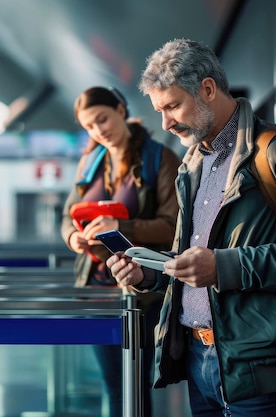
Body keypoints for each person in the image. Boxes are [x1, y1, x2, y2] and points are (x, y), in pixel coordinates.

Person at [105, 39, 276, 417]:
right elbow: (198, 261)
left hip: (263, 373)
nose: (165, 123)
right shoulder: (193, 163)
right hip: (199, 362)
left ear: (207, 89)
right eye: (159, 110)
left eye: (172, 106)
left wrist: (225, 267)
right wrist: (149, 272)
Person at [60, 86, 181, 417]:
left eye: (103, 119)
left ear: (120, 110)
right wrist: (74, 239)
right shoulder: (90, 162)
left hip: (141, 289)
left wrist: (120, 227)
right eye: (89, 126)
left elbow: (173, 226)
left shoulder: (160, 159)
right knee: (114, 384)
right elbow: (67, 215)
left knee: (135, 384)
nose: (99, 131)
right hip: (98, 288)